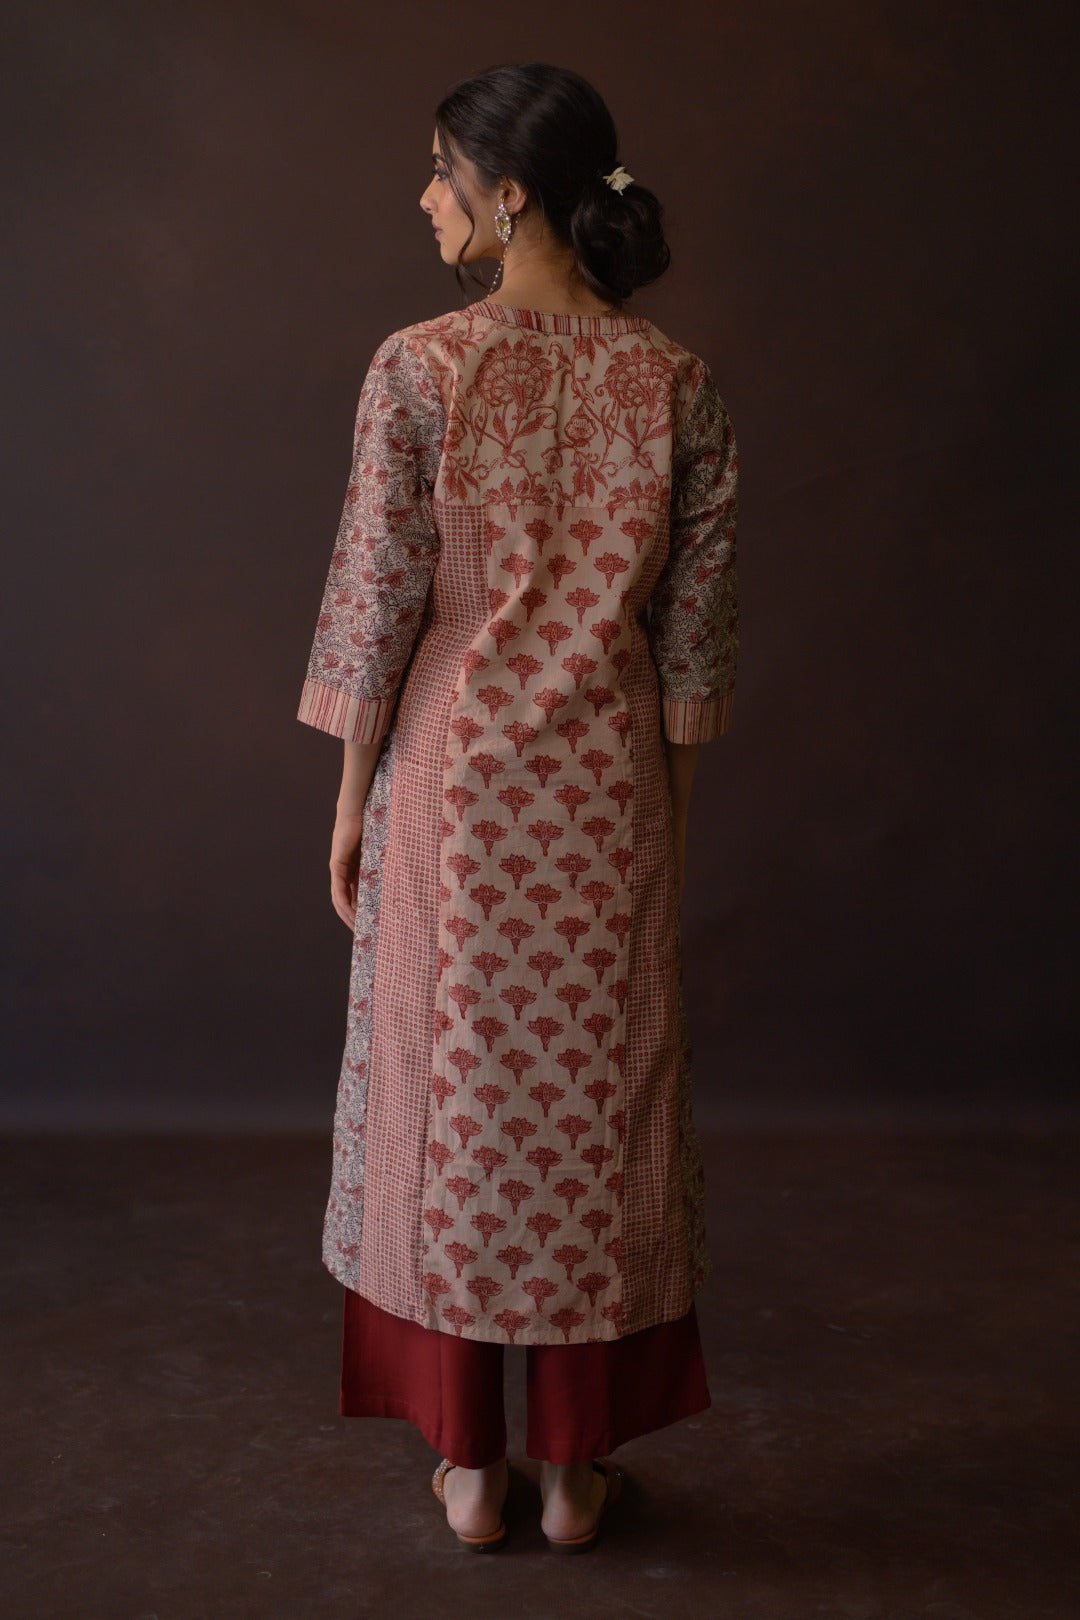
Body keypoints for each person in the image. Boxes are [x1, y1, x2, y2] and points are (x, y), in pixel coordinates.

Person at [297, 62, 738, 1553]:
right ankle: (570, 1477)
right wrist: (667, 829)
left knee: (450, 1103)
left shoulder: (421, 367)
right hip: (608, 789)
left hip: (450, 789)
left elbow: (377, 608)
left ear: (509, 194)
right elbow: (691, 649)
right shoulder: (676, 383)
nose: (424, 198)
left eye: (441, 172)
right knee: (597, 1111)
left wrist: (350, 802)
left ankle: (470, 1471)